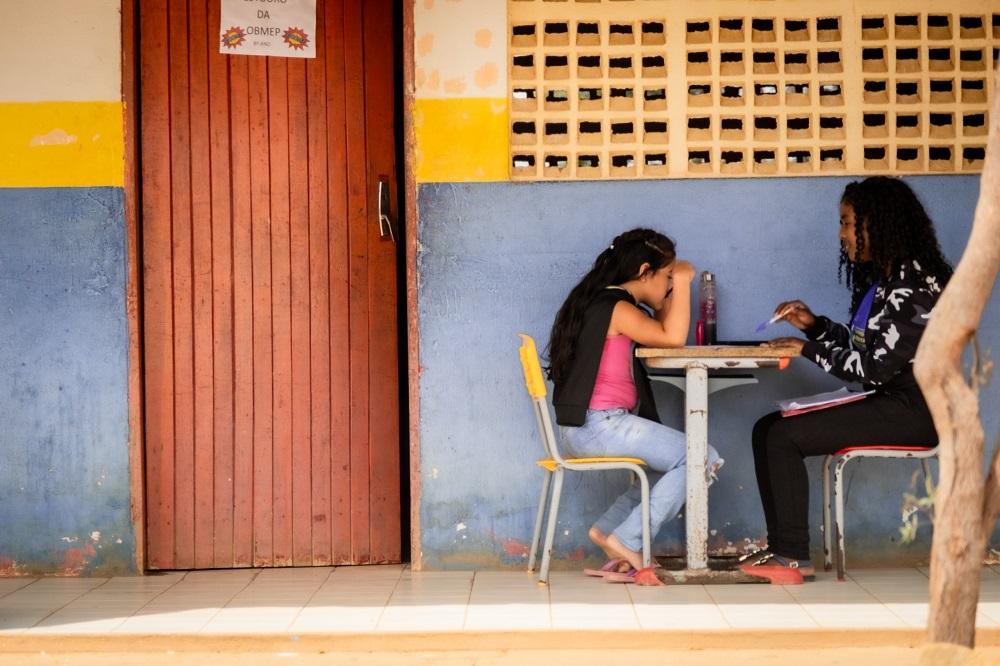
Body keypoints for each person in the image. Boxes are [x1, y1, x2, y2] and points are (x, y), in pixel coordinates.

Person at [743, 176, 952, 583]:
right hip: (893, 401)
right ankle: (783, 548)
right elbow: (869, 348)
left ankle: (791, 558)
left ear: (876, 223)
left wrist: (806, 350)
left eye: (847, 222)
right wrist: (815, 326)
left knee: (781, 437)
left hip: (914, 411)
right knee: (768, 429)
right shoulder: (889, 279)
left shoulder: (912, 284)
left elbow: (873, 368)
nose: (841, 234)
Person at [547, 228, 723, 579]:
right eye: (666, 276)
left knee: (666, 468)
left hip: (584, 426)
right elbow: (672, 337)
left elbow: (660, 323)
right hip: (602, 424)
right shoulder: (616, 307)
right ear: (645, 271)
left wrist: (667, 293)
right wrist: (686, 282)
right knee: (702, 456)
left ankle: (608, 530)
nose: (670, 285)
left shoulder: (599, 300)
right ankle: (628, 538)